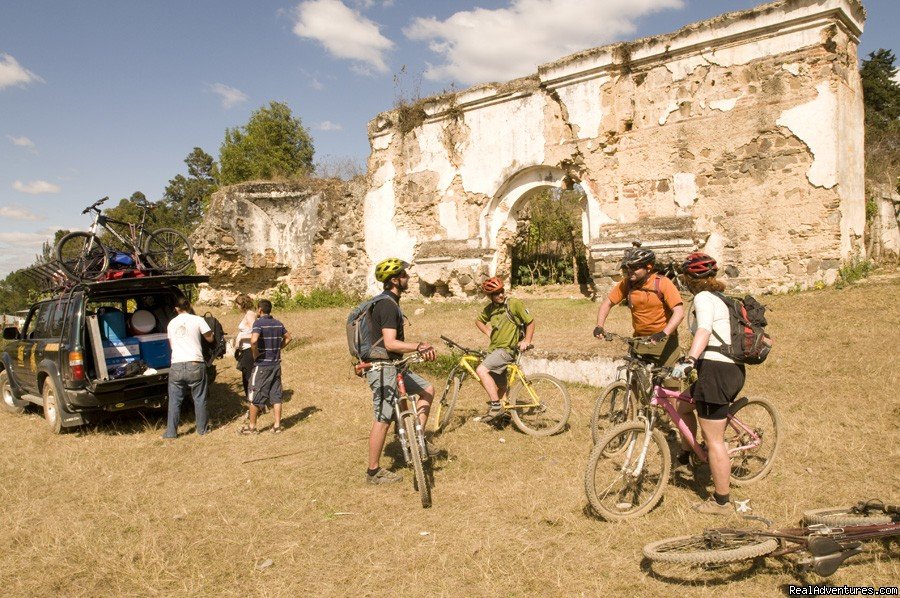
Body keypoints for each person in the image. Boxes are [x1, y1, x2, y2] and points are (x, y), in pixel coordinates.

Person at [672, 252, 745, 515]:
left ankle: (722, 501)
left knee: (714, 439)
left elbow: (703, 330)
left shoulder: (703, 298)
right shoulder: (719, 298)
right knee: (681, 408)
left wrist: (691, 359)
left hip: (715, 370)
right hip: (724, 368)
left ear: (689, 279)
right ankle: (691, 454)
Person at [364, 258, 436, 485]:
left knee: (427, 389)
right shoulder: (386, 305)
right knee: (383, 417)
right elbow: (390, 343)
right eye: (404, 275)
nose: (408, 278)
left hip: (395, 366)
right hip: (383, 368)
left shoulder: (391, 302)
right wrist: (419, 346)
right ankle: (373, 472)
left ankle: (416, 437)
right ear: (395, 280)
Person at [475, 276, 535, 424]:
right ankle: (504, 415)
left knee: (481, 370)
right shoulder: (490, 309)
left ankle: (495, 406)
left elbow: (530, 321)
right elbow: (478, 321)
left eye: (501, 291)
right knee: (500, 387)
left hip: (506, 350)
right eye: (496, 293)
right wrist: (488, 332)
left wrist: (526, 341)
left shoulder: (513, 304)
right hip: (494, 350)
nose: (500, 295)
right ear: (490, 296)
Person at [163, 296, 214, 438]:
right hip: (195, 363)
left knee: (174, 401)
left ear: (176, 309)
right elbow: (210, 338)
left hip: (177, 364)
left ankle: (171, 433)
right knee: (199, 398)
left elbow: (172, 345)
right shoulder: (198, 320)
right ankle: (202, 430)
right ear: (189, 306)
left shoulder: (171, 323)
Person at [241, 299, 291, 434]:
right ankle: (277, 425)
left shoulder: (259, 323)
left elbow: (254, 340)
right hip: (276, 364)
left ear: (260, 310)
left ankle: (252, 428)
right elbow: (288, 338)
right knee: (276, 395)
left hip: (262, 365)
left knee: (255, 394)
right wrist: (278, 348)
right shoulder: (278, 323)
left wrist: (255, 353)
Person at [233, 293, 257, 399]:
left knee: (248, 377)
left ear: (242, 304)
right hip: (245, 349)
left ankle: (255, 402)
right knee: (246, 376)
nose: (237, 307)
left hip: (249, 349)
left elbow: (255, 333)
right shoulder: (247, 314)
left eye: (237, 304)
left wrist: (241, 339)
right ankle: (252, 401)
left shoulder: (250, 315)